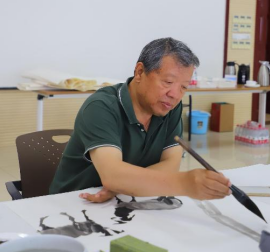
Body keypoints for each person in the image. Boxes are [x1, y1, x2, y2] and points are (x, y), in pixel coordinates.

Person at [50, 38, 232, 201]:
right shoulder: (101, 106)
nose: (175, 95)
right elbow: (112, 175)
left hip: (120, 200)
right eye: (168, 82)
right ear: (139, 72)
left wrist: (124, 184)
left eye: (183, 87)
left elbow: (171, 164)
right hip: (72, 203)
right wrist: (185, 184)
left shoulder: (169, 107)